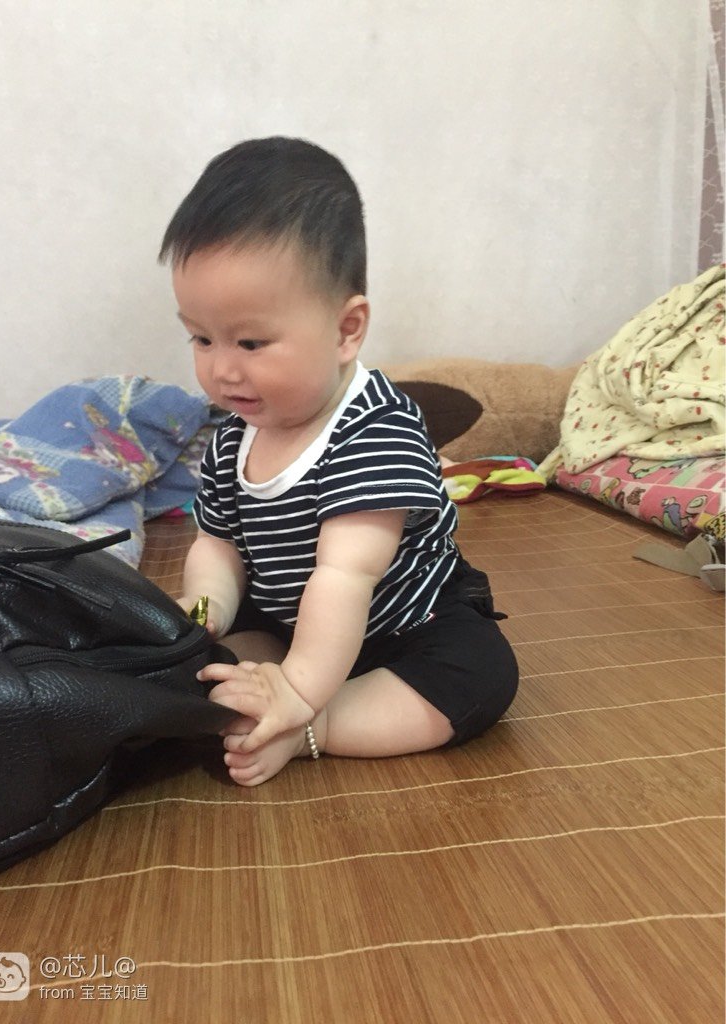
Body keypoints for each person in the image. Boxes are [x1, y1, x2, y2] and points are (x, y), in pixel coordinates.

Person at [158, 136, 518, 786]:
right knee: (193, 660)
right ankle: (256, 699)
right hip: (292, 622)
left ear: (346, 329)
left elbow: (345, 576)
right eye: (201, 338)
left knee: (479, 672)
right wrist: (206, 608)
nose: (222, 369)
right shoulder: (236, 433)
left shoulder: (375, 430)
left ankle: (315, 729)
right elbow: (217, 544)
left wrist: (298, 697)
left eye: (250, 341)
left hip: (405, 625)